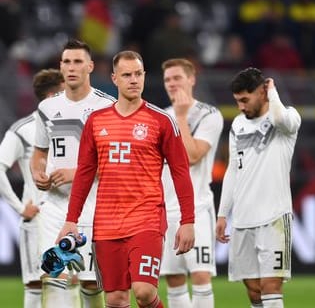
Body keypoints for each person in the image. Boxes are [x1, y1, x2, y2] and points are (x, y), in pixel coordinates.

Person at [56, 50, 195, 308]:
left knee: (143, 291)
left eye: (138, 74)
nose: (134, 80)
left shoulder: (162, 121)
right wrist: (71, 220)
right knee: (116, 300)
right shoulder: (96, 121)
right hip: (106, 223)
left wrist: (188, 221)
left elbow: (180, 171)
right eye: (127, 75)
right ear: (114, 79)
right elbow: (85, 172)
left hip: (146, 219)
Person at [30, 39, 116, 307]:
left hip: (94, 208)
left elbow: (116, 162)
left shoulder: (108, 107)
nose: (71, 67)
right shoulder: (47, 108)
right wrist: (37, 172)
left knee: (92, 283)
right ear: (61, 66)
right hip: (55, 206)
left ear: (90, 66)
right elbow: (40, 152)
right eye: (66, 61)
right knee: (53, 275)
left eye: (78, 61)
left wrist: (76, 173)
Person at [216, 67, 301, 308]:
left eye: (245, 99)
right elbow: (233, 169)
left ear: (262, 92)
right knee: (254, 291)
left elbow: (279, 119)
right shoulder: (238, 126)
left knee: (271, 287)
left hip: (274, 217)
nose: (241, 106)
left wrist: (272, 92)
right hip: (243, 218)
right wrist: (223, 213)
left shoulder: (288, 117)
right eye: (237, 101)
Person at [160, 58, 224, 308]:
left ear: (192, 79)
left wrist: (181, 117)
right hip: (165, 210)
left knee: (200, 275)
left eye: (177, 78)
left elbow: (192, 156)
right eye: (167, 79)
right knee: (173, 279)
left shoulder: (210, 115)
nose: (172, 84)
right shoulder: (160, 117)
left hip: (197, 208)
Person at [0, 68, 64, 307]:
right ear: (50, 97)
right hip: (37, 219)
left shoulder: (72, 127)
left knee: (76, 282)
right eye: (63, 91)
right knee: (36, 285)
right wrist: (19, 207)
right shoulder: (23, 129)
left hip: (69, 217)